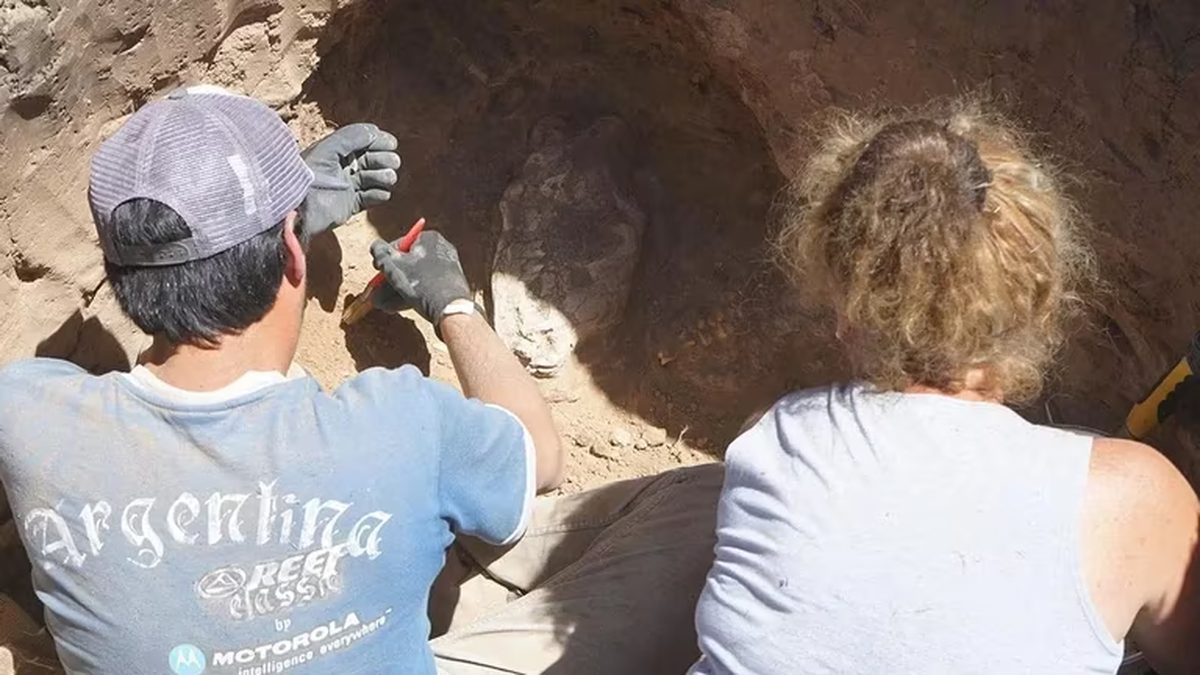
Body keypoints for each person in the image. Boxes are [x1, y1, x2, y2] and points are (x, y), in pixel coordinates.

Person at [0, 85, 567, 674]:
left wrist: (283, 226)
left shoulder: (29, 417)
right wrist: (454, 304)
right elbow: (543, 456)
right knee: (669, 503)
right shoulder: (407, 425)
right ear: (296, 254)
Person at [688, 101, 1200, 674]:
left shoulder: (775, 439)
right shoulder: (1141, 500)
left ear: (845, 310)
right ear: (1042, 302)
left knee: (684, 505)